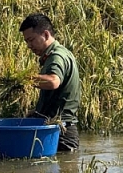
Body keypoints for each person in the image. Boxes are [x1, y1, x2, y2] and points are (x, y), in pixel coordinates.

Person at [19, 14, 80, 152]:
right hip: (55, 128)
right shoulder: (57, 54)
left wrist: (24, 79)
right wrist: (38, 112)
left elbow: (53, 81)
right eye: (26, 42)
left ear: (45, 34)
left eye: (31, 40)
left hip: (60, 132)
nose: (29, 46)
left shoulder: (56, 56)